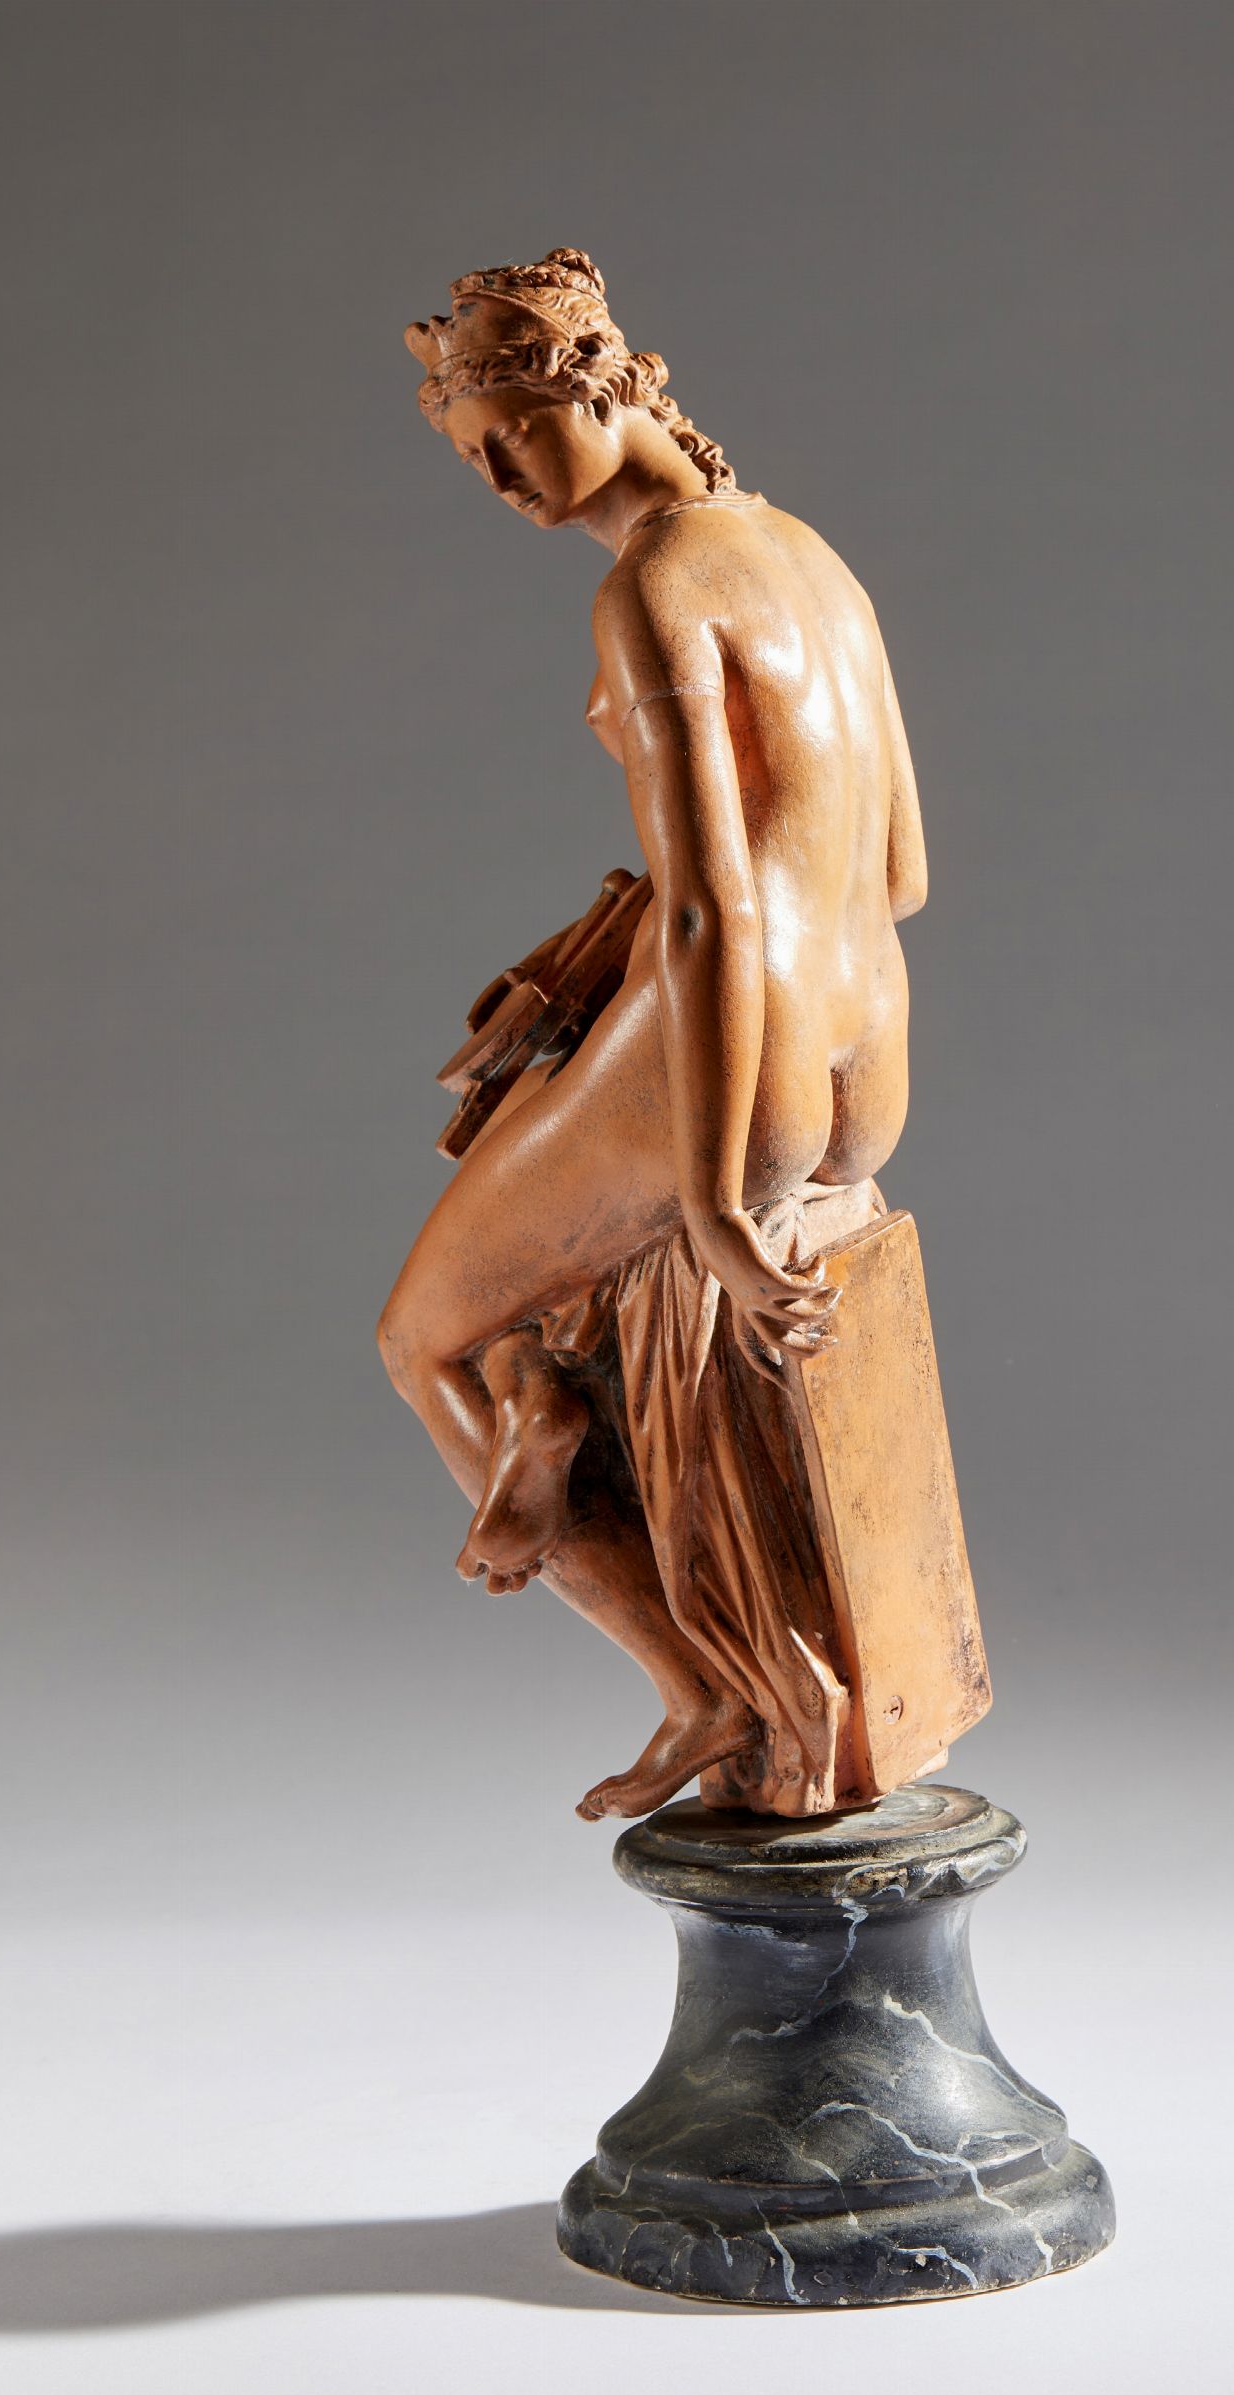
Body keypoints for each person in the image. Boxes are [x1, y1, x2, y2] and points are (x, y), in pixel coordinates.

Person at [378, 249, 928, 1820]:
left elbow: (710, 915)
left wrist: (710, 1205)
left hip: (727, 1051)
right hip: (866, 1043)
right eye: (472, 455)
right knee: (551, 1227)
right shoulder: (811, 559)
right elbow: (900, 870)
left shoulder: (651, 588)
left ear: (603, 385)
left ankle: (694, 1684)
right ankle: (553, 1392)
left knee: (420, 1341)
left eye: (513, 432)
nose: (500, 479)